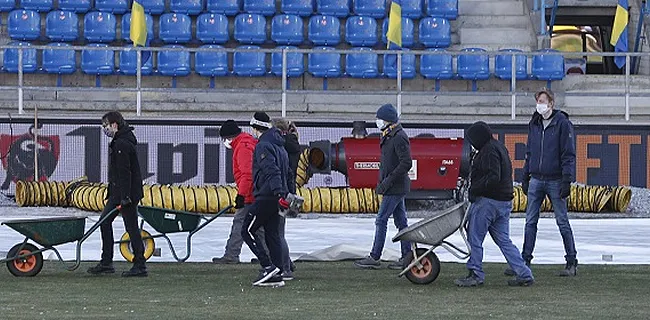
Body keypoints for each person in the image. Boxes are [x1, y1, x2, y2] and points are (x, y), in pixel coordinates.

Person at [506, 88, 578, 277]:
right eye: (538, 100)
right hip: (537, 179)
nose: (540, 104)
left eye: (543, 100)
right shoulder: (535, 123)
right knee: (530, 221)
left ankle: (571, 261)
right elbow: (530, 152)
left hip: (555, 179)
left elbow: (568, 154)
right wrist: (525, 175)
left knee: (562, 221)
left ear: (551, 103)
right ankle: (525, 260)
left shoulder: (563, 124)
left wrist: (567, 180)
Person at [454, 121, 535, 287]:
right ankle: (524, 273)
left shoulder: (488, 151)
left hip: (488, 201)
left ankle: (475, 272)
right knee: (504, 240)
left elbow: (493, 177)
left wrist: (475, 189)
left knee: (475, 237)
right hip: (504, 201)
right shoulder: (498, 147)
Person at [88, 111, 147, 277]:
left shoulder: (121, 144)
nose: (105, 129)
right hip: (118, 193)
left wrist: (125, 196)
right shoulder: (122, 141)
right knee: (105, 223)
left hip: (124, 194)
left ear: (115, 125)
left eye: (106, 125)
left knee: (132, 228)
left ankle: (139, 264)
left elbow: (125, 172)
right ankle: (107, 262)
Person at [354, 104, 412, 270]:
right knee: (401, 222)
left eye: (380, 118)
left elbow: (406, 162)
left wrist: (388, 181)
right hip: (394, 185)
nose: (377, 122)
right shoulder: (390, 135)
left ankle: (375, 255)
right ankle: (406, 255)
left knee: (381, 220)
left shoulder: (398, 137)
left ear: (388, 120)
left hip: (395, 186)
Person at [241, 112, 291, 287]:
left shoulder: (263, 145)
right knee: (273, 235)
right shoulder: (280, 146)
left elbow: (271, 171)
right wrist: (286, 194)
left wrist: (277, 192)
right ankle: (278, 272)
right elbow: (288, 173)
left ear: (255, 128)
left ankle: (267, 266)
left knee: (246, 230)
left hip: (267, 196)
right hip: (278, 197)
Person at [212, 120, 268, 264]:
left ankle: (231, 255)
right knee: (259, 226)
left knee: (240, 223)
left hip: (250, 193)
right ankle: (267, 255)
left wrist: (241, 195)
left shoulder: (242, 147)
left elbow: (247, 175)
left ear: (229, 137)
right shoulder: (248, 142)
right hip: (257, 191)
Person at [272, 118, 301, 280]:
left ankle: (285, 267)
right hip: (288, 192)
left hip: (281, 193)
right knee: (278, 231)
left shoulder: (281, 147)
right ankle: (286, 263)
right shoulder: (292, 145)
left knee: (277, 233)